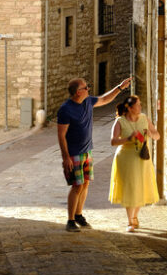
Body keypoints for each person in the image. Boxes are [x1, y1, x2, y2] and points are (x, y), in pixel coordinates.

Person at [57, 76, 131, 232]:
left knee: (85, 184)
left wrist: (120, 87)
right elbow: (61, 135)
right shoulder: (65, 109)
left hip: (87, 151)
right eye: (85, 88)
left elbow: (104, 99)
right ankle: (70, 220)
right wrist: (66, 158)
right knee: (77, 186)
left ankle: (79, 215)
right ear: (78, 92)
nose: (88, 89)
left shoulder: (88, 101)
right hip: (74, 154)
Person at [109, 94, 160, 231]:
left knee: (141, 187)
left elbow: (157, 135)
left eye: (140, 104)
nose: (140, 107)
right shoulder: (120, 121)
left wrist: (149, 133)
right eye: (138, 105)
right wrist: (128, 139)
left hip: (142, 158)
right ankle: (130, 221)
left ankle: (135, 217)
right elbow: (113, 141)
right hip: (126, 158)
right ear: (130, 108)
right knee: (130, 188)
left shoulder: (144, 118)